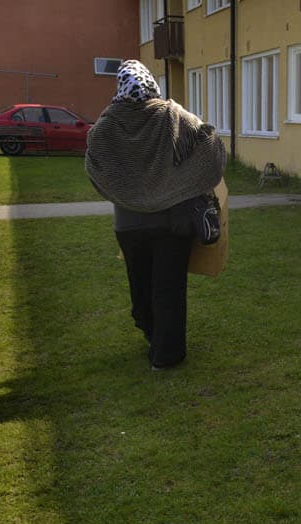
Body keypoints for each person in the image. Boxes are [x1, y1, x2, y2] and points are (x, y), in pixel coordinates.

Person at [85, 60, 226, 370]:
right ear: (151, 84)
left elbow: (94, 163)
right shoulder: (172, 115)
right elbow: (211, 143)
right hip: (172, 222)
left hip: (130, 224)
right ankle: (166, 354)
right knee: (169, 288)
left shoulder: (107, 125)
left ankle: (155, 337)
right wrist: (182, 183)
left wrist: (126, 191)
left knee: (141, 286)